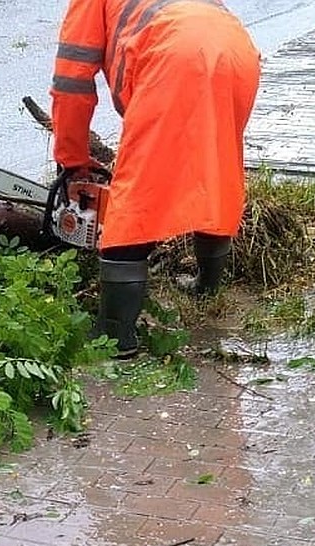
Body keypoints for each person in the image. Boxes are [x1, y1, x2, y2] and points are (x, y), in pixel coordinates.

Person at [50, 0, 261, 357]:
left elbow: (72, 80)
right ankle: (207, 284)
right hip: (236, 51)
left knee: (136, 197)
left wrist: (72, 159)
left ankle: (116, 334)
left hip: (175, 56)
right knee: (215, 168)